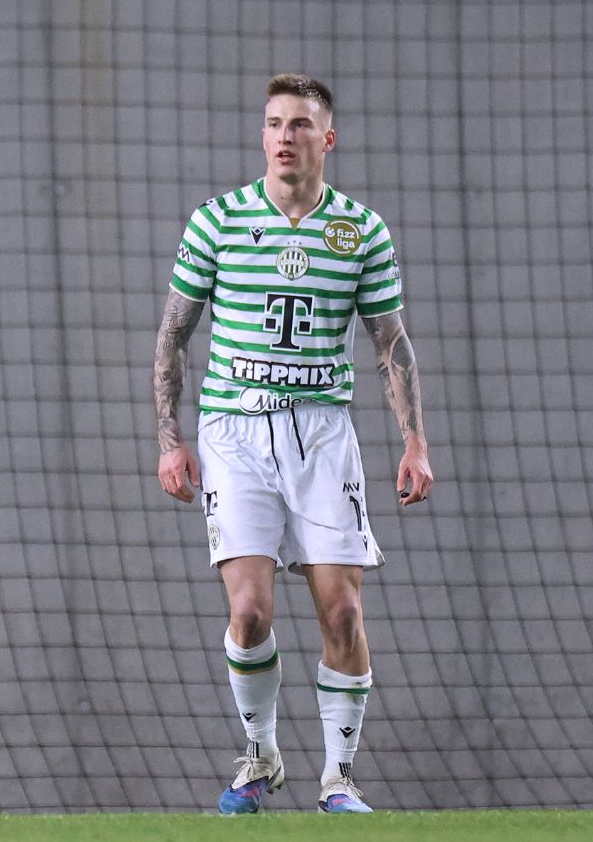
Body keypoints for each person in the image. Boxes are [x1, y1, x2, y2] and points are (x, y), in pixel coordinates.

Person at [152, 73, 433, 814]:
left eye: (301, 124)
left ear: (326, 139)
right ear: (263, 135)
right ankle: (260, 754)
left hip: (321, 433)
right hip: (235, 433)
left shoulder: (360, 230)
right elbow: (174, 335)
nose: (285, 136)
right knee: (249, 613)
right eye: (275, 123)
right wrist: (170, 440)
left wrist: (414, 441)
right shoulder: (216, 221)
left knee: (342, 615)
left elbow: (391, 342)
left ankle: (338, 778)